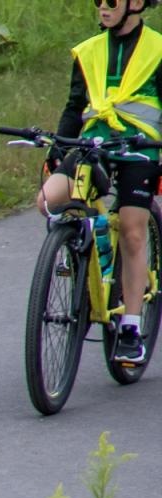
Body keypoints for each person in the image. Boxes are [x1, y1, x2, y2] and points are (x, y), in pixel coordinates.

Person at [40, 0, 162, 365]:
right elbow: (75, 106)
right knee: (49, 199)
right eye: (98, 1)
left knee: (132, 230)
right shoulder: (88, 51)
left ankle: (129, 325)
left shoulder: (158, 49)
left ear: (137, 3)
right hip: (94, 144)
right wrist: (57, 151)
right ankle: (78, 259)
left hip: (140, 149)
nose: (103, 7)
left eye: (111, 1)